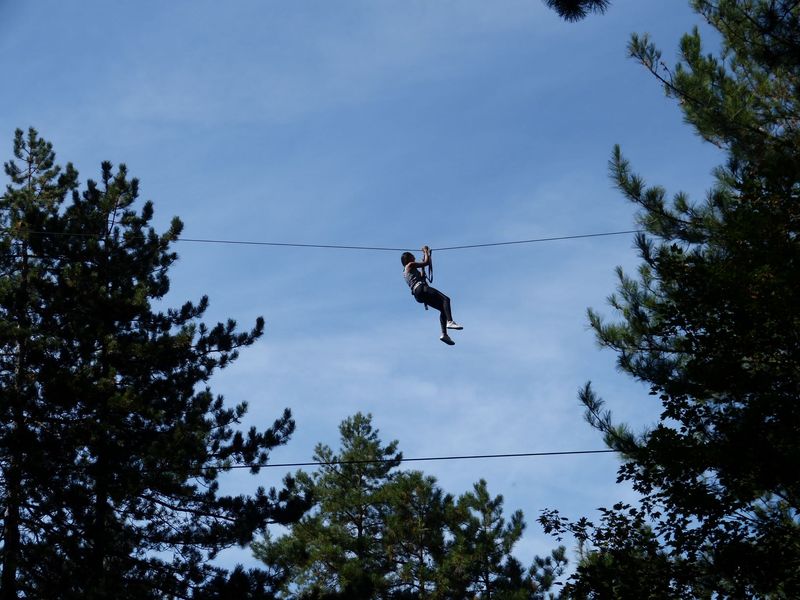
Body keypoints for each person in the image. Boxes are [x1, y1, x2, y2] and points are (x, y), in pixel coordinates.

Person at [402, 246, 463, 345]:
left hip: (418, 294)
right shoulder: (410, 264)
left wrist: (423, 264)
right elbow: (426, 262)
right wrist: (426, 252)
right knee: (446, 299)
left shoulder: (406, 271)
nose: (414, 257)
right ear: (408, 258)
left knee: (443, 309)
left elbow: (422, 276)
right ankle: (450, 321)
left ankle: (444, 334)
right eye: (413, 256)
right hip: (421, 288)